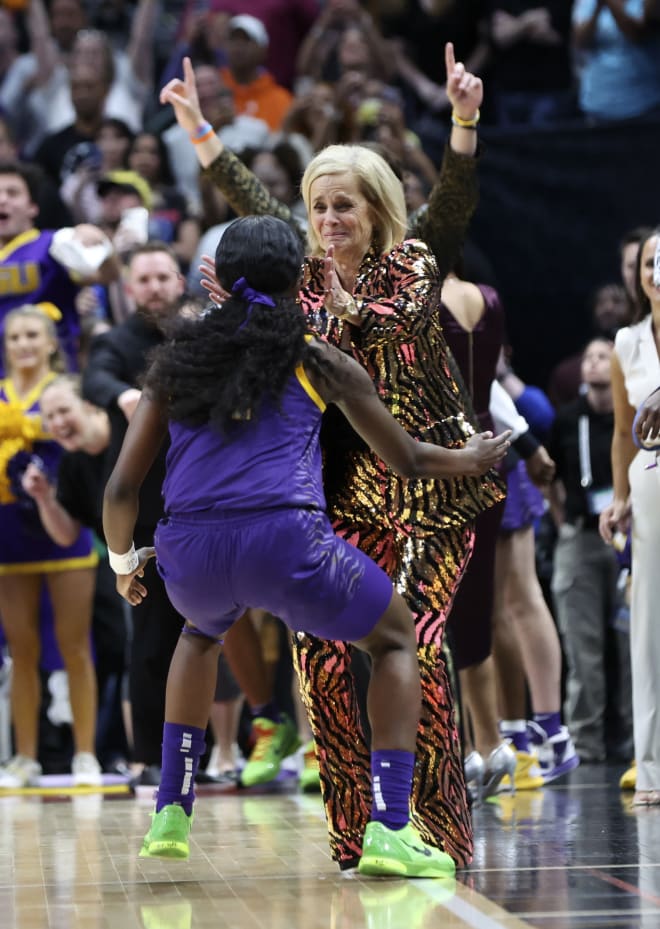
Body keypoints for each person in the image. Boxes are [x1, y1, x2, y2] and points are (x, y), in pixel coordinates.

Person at [160, 46, 504, 870]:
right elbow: (253, 201)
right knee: (319, 658)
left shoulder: (416, 261)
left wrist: (463, 120)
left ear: (376, 207)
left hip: (434, 485)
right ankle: (358, 835)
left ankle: (436, 829)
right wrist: (203, 133)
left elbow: (453, 201)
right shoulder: (303, 280)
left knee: (414, 641)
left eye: (342, 205)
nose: (327, 219)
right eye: (317, 207)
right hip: (346, 495)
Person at [102, 214, 510, 870]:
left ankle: (171, 810)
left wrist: (125, 562)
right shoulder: (317, 352)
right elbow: (404, 457)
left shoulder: (174, 358)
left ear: (217, 280)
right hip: (286, 541)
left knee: (200, 635)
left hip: (188, 552)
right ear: (302, 276)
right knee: (397, 638)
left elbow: (123, 488)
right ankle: (390, 824)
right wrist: (470, 458)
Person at [0, 305, 101, 788]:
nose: (22, 344)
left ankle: (85, 754)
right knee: (22, 649)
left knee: (75, 645)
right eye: (14, 336)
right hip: (7, 531)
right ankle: (25, 757)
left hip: (62, 521)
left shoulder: (63, 392)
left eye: (31, 336)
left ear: (49, 342)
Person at [548, 338, 632, 763]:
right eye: (590, 357)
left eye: (604, 356)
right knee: (583, 646)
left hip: (629, 537)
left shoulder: (634, 413)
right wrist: (564, 521)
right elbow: (550, 477)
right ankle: (585, 741)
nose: (595, 363)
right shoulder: (566, 420)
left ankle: (640, 741)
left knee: (634, 643)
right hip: (581, 536)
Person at [599, 227, 660, 807]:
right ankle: (652, 770)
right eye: (649, 261)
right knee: (647, 626)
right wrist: (617, 498)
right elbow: (623, 431)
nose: (656, 269)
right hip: (649, 484)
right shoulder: (626, 342)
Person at [0, 160, 118, 377]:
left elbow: (108, 274)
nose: (2, 200)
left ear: (32, 206)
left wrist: (104, 245)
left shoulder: (54, 244)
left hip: (51, 377)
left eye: (13, 193)